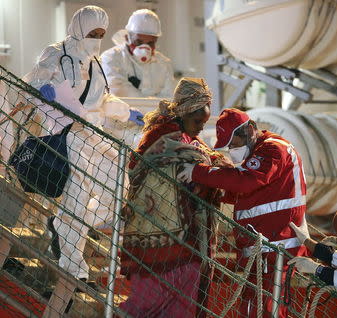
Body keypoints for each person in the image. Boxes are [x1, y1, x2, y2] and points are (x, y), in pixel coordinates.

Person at [23, 6, 141, 283]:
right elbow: (35, 80)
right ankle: (74, 268)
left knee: (118, 182)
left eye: (101, 34)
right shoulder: (56, 52)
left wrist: (127, 112)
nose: (96, 39)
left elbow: (104, 100)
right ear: (79, 29)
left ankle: (63, 227)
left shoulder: (96, 62)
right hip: (68, 132)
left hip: (95, 133)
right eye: (92, 33)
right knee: (78, 195)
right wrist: (43, 88)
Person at [178, 108, 309, 318]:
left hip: (276, 248)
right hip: (263, 248)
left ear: (249, 131)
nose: (231, 150)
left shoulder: (273, 150)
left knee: (266, 310)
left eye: (234, 143)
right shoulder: (260, 154)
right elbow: (247, 194)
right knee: (253, 309)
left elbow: (247, 182)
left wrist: (199, 172)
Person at [120, 77, 230, 317]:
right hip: (160, 242)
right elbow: (192, 161)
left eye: (204, 121)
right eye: (197, 120)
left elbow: (206, 160)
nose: (201, 126)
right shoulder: (162, 136)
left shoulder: (190, 139)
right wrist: (209, 164)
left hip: (187, 243)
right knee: (147, 303)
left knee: (183, 306)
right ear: (183, 114)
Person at [101, 9, 175, 98]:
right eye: (139, 42)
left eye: (150, 43)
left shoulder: (164, 63)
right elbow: (118, 90)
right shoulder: (111, 58)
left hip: (156, 111)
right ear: (127, 38)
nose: (144, 49)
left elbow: (169, 97)